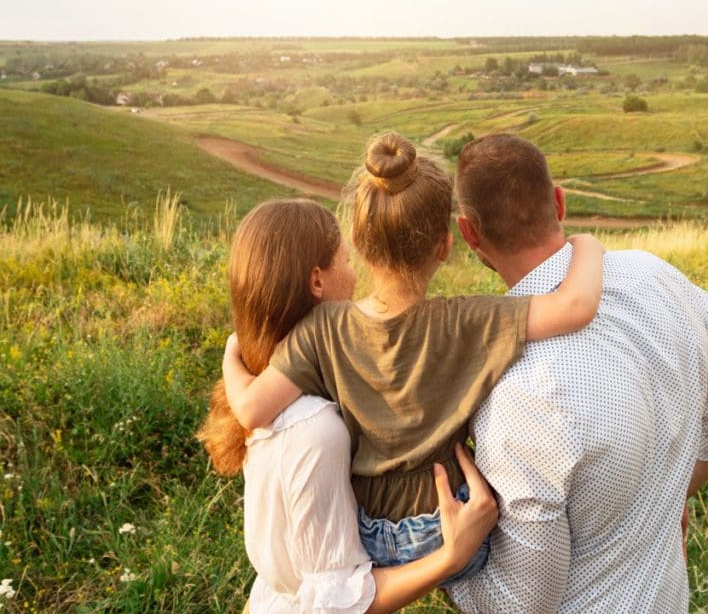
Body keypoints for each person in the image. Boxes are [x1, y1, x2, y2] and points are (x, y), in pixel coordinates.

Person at [445, 134, 708, 614]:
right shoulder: (661, 279)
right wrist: (660, 502)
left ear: (468, 234)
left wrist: (451, 572)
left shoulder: (516, 388)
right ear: (557, 201)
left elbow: (525, 603)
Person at [221, 133, 605, 585]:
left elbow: (249, 409)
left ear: (359, 246)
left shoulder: (322, 328)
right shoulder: (467, 319)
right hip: (445, 530)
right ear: (445, 246)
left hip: (366, 536)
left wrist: (232, 352)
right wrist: (588, 245)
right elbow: (577, 307)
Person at [199, 199, 498, 614]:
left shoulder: (265, 376)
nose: (355, 271)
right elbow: (340, 605)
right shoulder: (316, 428)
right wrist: (452, 554)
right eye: (343, 258)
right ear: (317, 281)